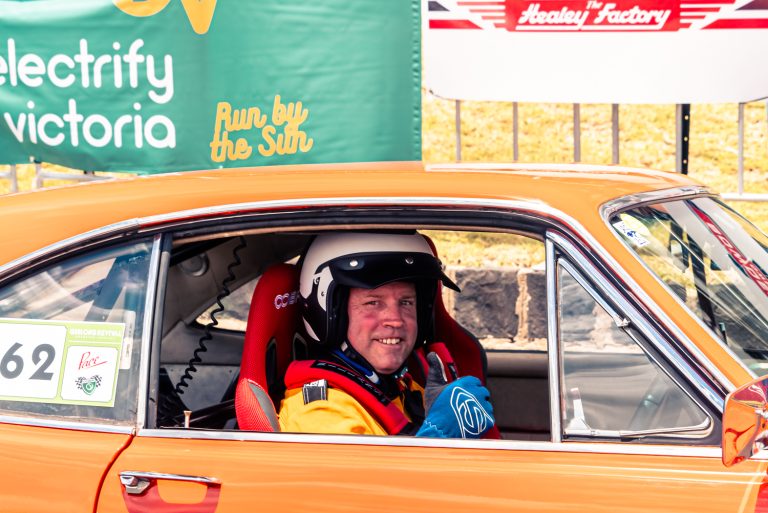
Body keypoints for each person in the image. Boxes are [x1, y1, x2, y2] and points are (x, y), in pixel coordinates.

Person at [278, 231, 495, 438]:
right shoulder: (320, 412)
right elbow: (351, 468)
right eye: (373, 303)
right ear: (332, 314)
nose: (395, 320)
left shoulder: (402, 388)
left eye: (406, 302)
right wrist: (439, 434)